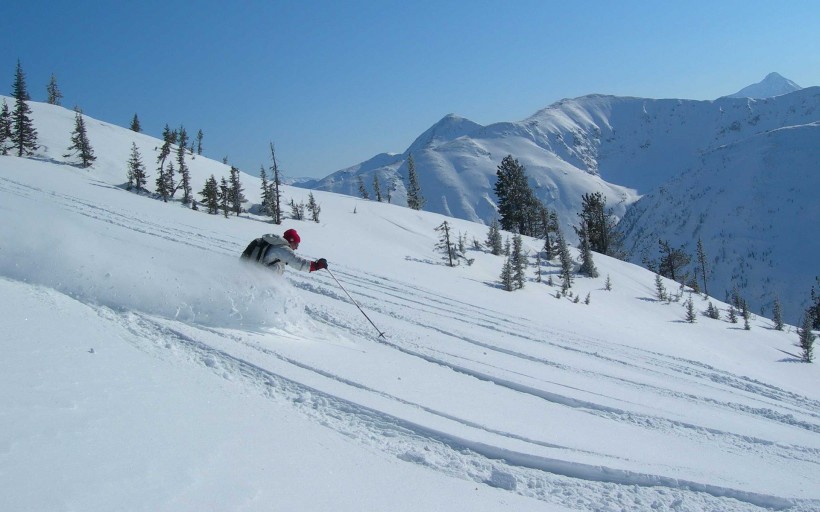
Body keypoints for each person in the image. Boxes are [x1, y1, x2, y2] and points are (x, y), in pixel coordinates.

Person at [241, 228, 328, 275]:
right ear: (291, 240)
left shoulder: (275, 244)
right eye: (296, 244)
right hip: (261, 278)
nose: (297, 248)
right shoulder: (283, 249)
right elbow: (298, 263)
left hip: (255, 273)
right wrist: (316, 266)